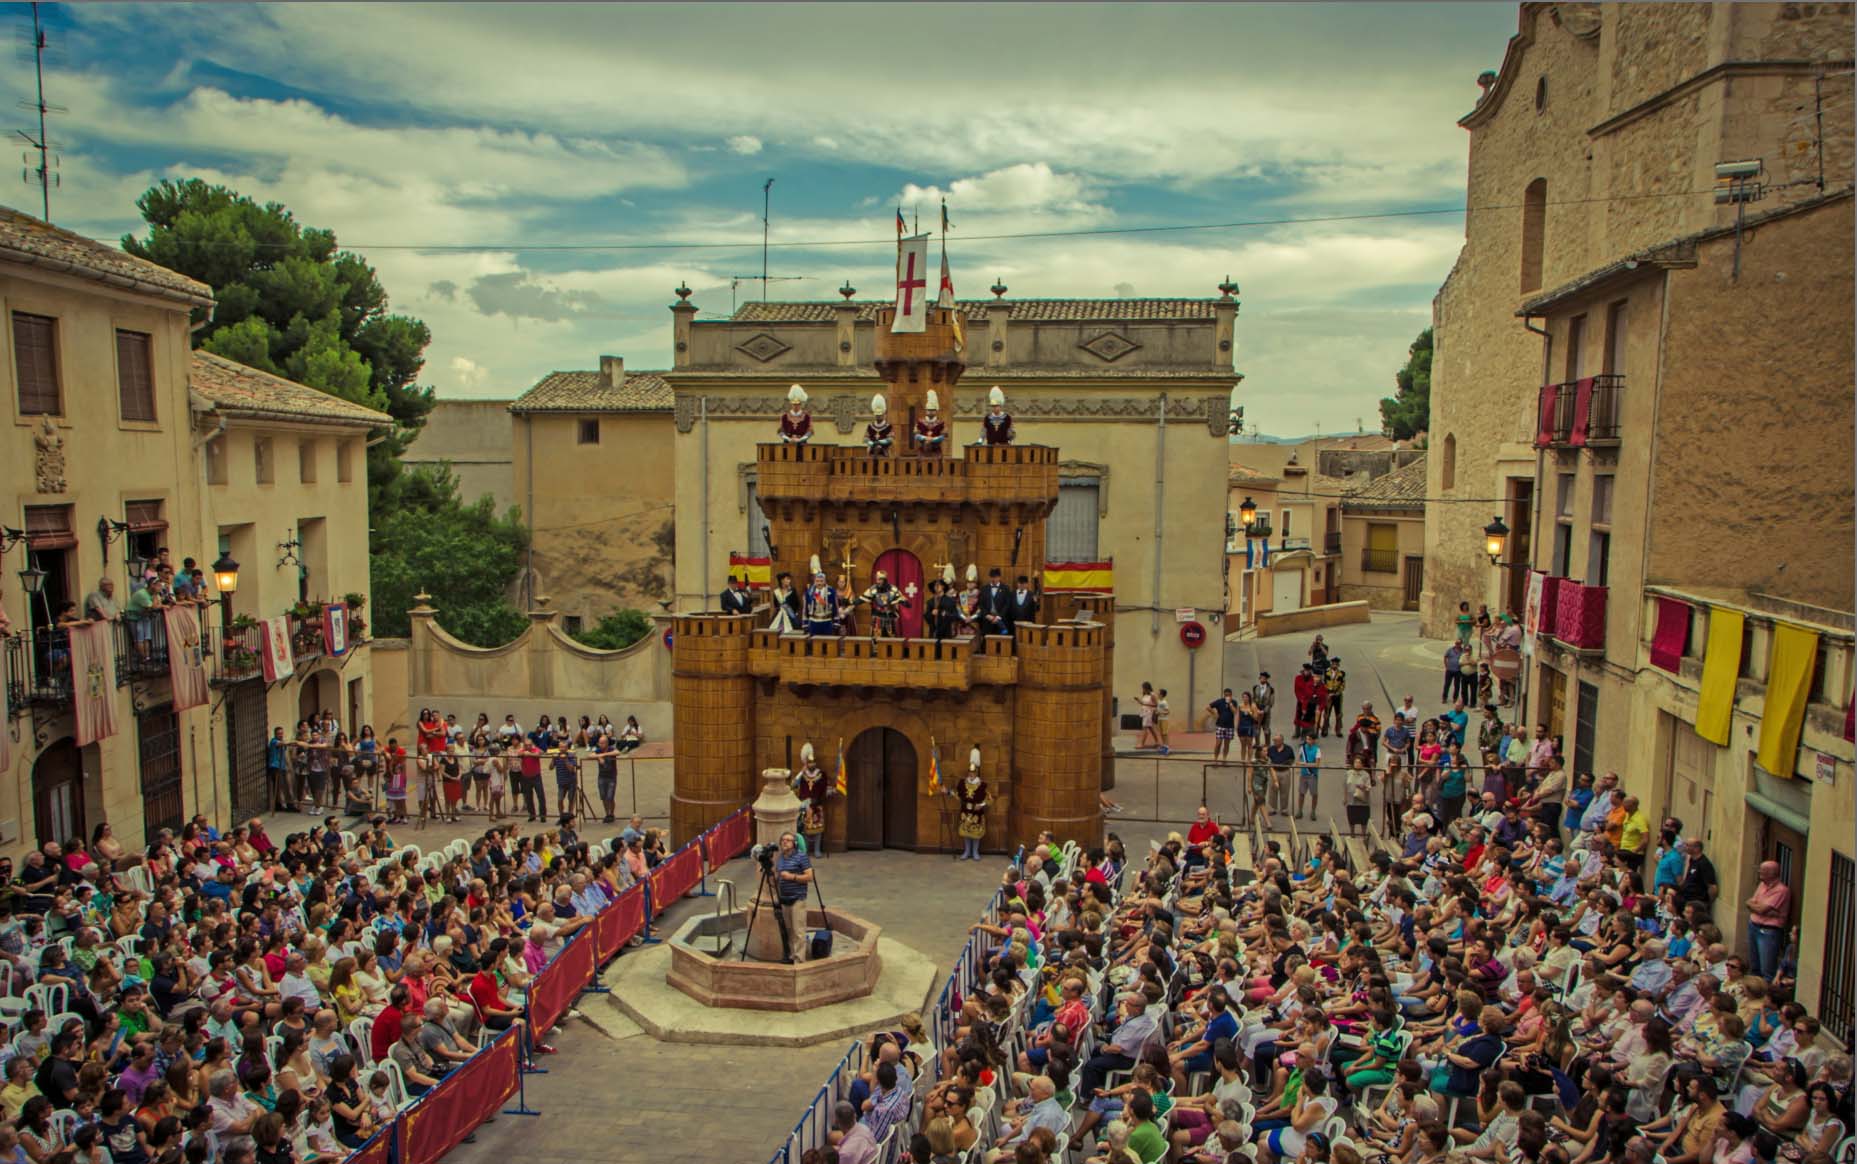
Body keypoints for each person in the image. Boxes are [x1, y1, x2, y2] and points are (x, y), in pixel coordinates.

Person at [1746, 861, 1791, 980]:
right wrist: (1760, 909)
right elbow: (1749, 903)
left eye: (1763, 870)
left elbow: (1761, 909)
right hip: (1753, 926)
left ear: (1772, 873)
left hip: (1768, 931)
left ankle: (1765, 989)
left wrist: (1757, 908)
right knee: (1754, 966)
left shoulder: (1781, 890)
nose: (1759, 871)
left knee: (1766, 970)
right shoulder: (1762, 885)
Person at [773, 832, 814, 963]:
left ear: (794, 843)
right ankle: (792, 956)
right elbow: (778, 876)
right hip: (784, 899)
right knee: (789, 930)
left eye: (788, 840)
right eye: (783, 840)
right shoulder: (781, 858)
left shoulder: (801, 857)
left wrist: (792, 877)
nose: (785, 842)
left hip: (797, 898)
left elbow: (809, 877)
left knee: (798, 931)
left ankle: (799, 960)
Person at [791, 743, 831, 857]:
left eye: (813, 762)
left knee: (818, 828)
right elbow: (793, 785)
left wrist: (830, 791)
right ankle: (805, 849)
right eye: (809, 762)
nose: (812, 764)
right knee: (804, 829)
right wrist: (801, 772)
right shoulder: (803, 775)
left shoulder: (821, 774)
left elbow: (825, 788)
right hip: (805, 806)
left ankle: (817, 850)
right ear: (806, 763)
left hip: (817, 805)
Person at [956, 749, 989, 862]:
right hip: (965, 811)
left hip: (976, 813)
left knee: (975, 832)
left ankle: (975, 851)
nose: (971, 774)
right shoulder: (962, 783)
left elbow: (989, 799)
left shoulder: (982, 785)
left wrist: (981, 805)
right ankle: (967, 851)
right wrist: (947, 792)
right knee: (966, 831)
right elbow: (957, 795)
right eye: (970, 772)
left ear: (976, 773)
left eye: (973, 773)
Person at [803, 561, 841, 636]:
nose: (819, 583)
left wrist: (836, 622)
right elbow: (805, 609)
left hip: (827, 622)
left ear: (825, 581)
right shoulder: (810, 592)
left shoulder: (831, 591)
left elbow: (835, 607)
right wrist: (805, 623)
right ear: (815, 581)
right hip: (813, 622)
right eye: (817, 581)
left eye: (821, 581)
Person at [1295, 732, 1321, 821]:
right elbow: (1298, 760)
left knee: (1314, 794)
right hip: (1303, 774)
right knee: (1301, 793)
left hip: (1312, 775)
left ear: (1313, 740)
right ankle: (1300, 811)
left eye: (1309, 739)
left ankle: (1313, 811)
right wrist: (1298, 767)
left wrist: (1304, 764)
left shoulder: (1317, 750)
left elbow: (1317, 764)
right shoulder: (1302, 748)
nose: (1307, 741)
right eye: (1307, 739)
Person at [979, 568, 1011, 638]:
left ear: (999, 577)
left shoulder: (1005, 588)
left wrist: (999, 617)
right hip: (988, 621)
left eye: (995, 577)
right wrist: (987, 615)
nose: (993, 579)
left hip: (1001, 621)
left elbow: (1007, 605)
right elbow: (981, 604)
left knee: (1001, 641)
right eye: (992, 577)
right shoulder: (984, 588)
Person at [914, 388, 948, 455]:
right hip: (923, 449)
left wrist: (933, 439)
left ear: (936, 411)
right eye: (929, 410)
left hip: (936, 450)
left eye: (932, 410)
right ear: (926, 411)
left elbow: (944, 436)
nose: (930, 412)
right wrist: (925, 438)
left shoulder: (941, 423)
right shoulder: (920, 422)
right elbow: (916, 435)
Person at [1208, 689, 1237, 763]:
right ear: (1224, 695)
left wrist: (1230, 704)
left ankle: (1224, 759)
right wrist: (1215, 714)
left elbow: (1235, 712)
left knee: (1227, 744)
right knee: (1218, 743)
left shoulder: (1234, 702)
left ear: (1231, 695)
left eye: (1229, 695)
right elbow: (1208, 707)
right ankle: (1215, 759)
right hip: (1220, 725)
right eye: (1226, 695)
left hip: (1230, 726)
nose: (1227, 696)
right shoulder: (1220, 701)